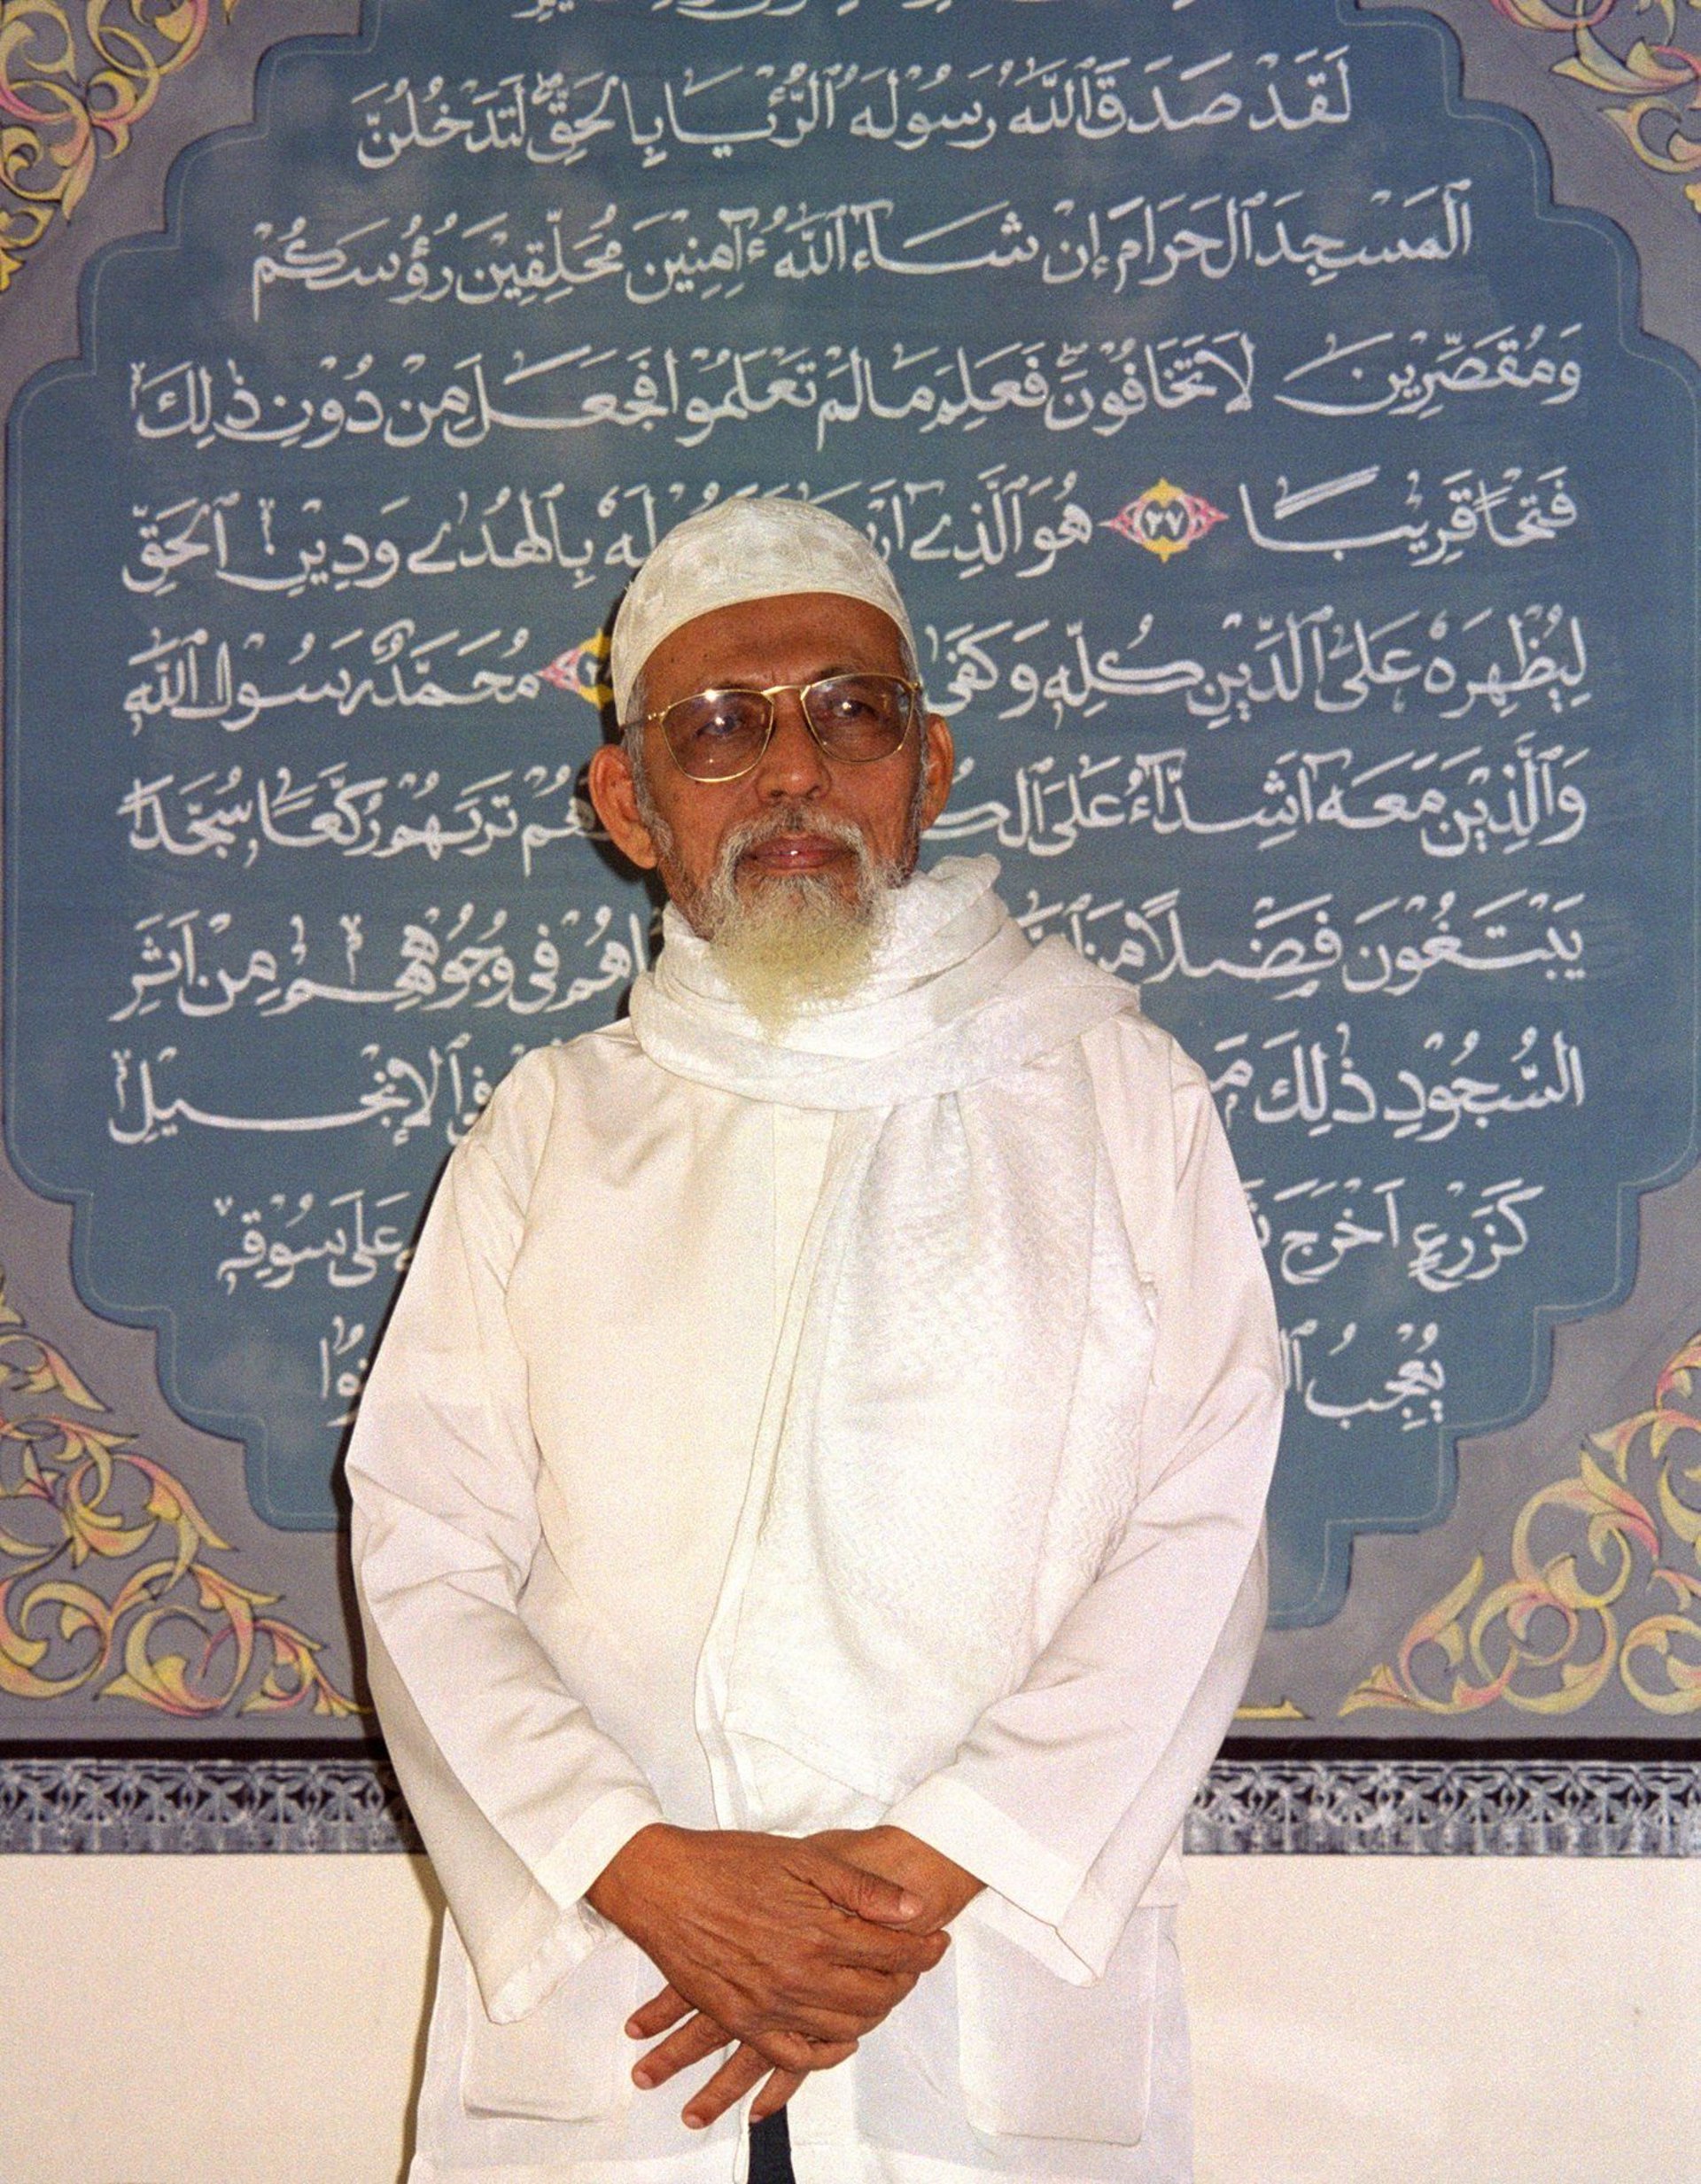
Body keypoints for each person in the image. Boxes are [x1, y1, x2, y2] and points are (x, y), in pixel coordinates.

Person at [346, 495, 1282, 2184]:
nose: (791, 769)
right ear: (628, 802)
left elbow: (1202, 1527)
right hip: (619, 1993)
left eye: (849, 714)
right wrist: (636, 1863)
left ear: (928, 766)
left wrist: (915, 1876)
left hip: (972, 1981)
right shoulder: (552, 1130)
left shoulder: (1114, 1096)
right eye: (719, 728)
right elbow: (423, 1544)